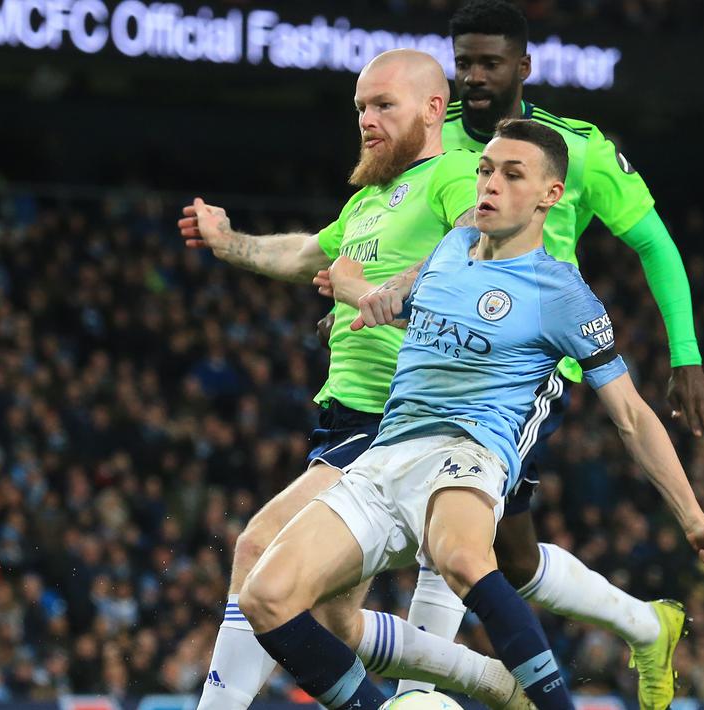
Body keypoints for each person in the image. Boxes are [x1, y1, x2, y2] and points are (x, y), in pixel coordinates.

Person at [240, 119, 704, 710]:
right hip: (384, 456)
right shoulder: (451, 249)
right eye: (485, 170)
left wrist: (692, 518)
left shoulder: (563, 295)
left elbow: (632, 416)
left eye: (512, 175)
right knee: (266, 597)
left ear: (549, 196)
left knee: (462, 557)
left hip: (470, 450)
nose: (489, 185)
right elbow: (426, 312)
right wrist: (355, 290)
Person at [312, 2, 704, 706]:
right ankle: (642, 625)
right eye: (464, 63)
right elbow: (375, 230)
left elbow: (653, 245)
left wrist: (684, 356)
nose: (474, 77)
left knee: (452, 527)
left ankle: (425, 693)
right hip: (415, 350)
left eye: (489, 63)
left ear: (522, 67)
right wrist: (354, 303)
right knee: (513, 556)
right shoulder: (425, 136)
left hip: (519, 370)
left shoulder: (576, 147)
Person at [180, 49, 540, 709]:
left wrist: (390, 292)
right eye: (360, 109)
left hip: (395, 422)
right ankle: (488, 680)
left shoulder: (456, 174)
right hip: (344, 422)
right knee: (334, 621)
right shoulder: (370, 202)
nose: (367, 121)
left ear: (434, 109)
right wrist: (228, 241)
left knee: (257, 549)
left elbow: (473, 231)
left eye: (383, 106)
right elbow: (302, 252)